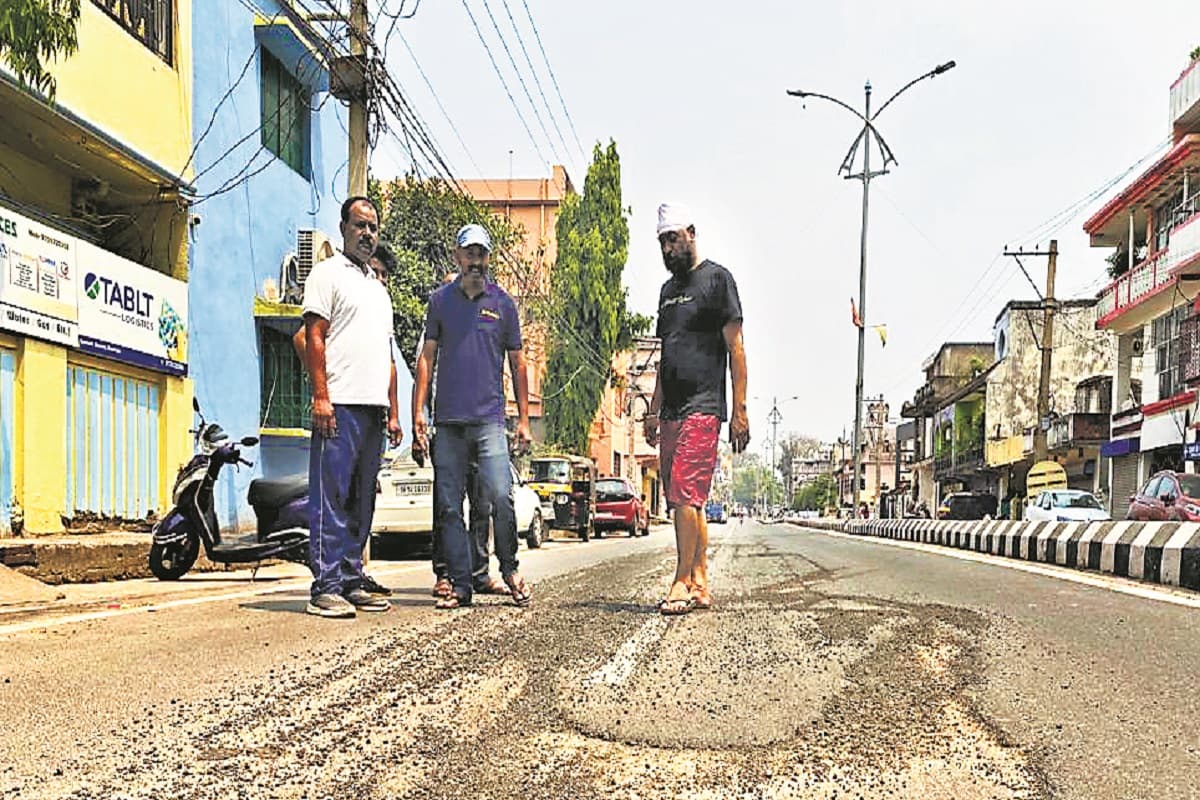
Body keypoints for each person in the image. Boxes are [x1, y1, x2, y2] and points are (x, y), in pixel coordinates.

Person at [413, 224, 531, 610]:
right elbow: (427, 357)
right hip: (448, 423)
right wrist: (419, 412)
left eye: (481, 253)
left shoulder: (503, 304)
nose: (475, 260)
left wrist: (524, 420)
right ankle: (460, 584)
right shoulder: (440, 302)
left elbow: (517, 363)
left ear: (488, 258)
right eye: (469, 253)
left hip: (489, 422)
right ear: (457, 256)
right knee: (449, 505)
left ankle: (510, 569)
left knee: (500, 496)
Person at [644, 203, 749, 616]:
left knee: (685, 492)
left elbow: (736, 350)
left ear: (690, 232)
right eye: (661, 242)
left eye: (672, 239)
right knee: (685, 501)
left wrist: (739, 411)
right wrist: (654, 410)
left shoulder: (718, 280)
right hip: (671, 409)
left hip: (704, 407)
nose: (667, 249)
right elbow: (664, 356)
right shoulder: (666, 293)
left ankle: (681, 580)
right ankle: (701, 581)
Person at [301, 196, 402, 618]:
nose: (367, 234)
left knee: (362, 501)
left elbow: (387, 355)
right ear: (343, 227)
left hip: (373, 410)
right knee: (332, 498)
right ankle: (325, 586)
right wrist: (321, 396)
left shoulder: (378, 289)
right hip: (339, 405)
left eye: (373, 227)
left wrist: (393, 411)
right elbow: (313, 336)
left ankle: (350, 578)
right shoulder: (326, 274)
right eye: (360, 225)